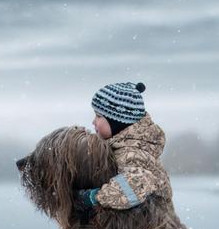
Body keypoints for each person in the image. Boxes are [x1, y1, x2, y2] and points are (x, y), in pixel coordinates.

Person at [74, 81, 173, 212]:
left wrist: (94, 197)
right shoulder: (127, 146)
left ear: (117, 122)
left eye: (98, 116)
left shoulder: (131, 153)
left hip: (151, 226)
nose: (93, 121)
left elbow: (133, 188)